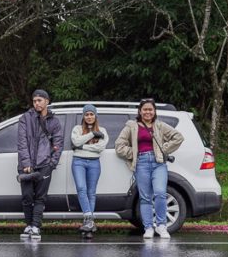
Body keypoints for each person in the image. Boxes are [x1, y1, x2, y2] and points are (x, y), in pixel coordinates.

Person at [115, 98, 184, 239]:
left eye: (150, 109)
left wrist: (163, 149)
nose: (147, 112)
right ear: (140, 111)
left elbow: (178, 137)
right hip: (141, 163)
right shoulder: (131, 126)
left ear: (154, 111)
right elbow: (119, 146)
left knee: (160, 193)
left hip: (158, 163)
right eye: (145, 109)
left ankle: (161, 226)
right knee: (145, 197)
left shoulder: (160, 126)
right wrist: (134, 153)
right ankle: (148, 228)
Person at [16, 89, 64, 240]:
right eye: (34, 101)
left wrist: (52, 163)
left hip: (45, 165)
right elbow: (22, 142)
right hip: (26, 166)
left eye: (39, 100)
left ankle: (36, 226)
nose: (36, 103)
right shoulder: (26, 118)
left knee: (40, 198)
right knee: (27, 196)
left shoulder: (54, 121)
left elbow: (58, 144)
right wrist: (26, 163)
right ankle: (28, 225)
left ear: (47, 101)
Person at [71, 104, 107, 235]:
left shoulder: (102, 130)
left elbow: (100, 148)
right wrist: (92, 134)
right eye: (87, 114)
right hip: (78, 162)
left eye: (91, 114)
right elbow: (75, 142)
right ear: (83, 116)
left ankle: (88, 226)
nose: (89, 116)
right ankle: (89, 218)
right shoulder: (77, 128)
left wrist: (82, 147)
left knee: (91, 193)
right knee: (81, 188)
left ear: (95, 115)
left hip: (94, 163)